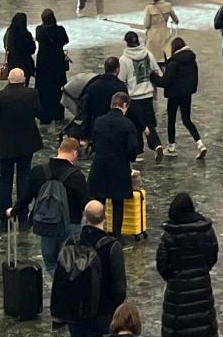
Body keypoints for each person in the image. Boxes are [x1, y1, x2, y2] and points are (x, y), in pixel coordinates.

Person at [156, 191, 222, 337]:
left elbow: (162, 263)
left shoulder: (169, 236)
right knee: (203, 323)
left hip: (177, 289)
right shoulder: (206, 230)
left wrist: (173, 278)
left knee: (181, 331)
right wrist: (202, 271)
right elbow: (213, 254)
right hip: (201, 284)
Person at [62, 199, 129, 337]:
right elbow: (120, 288)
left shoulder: (71, 242)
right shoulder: (112, 247)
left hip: (76, 311)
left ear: (85, 218)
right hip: (104, 313)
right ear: (105, 218)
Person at [15, 134, 90, 275]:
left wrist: (13, 211)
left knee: (50, 263)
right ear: (74, 152)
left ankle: (58, 289)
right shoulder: (76, 176)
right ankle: (66, 291)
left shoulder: (38, 172)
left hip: (46, 225)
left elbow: (25, 198)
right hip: (71, 225)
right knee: (69, 264)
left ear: (59, 149)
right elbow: (86, 202)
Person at [88, 91, 143, 237]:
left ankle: (96, 232)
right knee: (118, 203)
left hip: (100, 166)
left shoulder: (99, 121)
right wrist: (129, 159)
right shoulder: (128, 124)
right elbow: (133, 148)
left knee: (99, 201)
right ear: (124, 105)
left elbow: (94, 141)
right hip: (119, 168)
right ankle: (116, 236)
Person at [0, 66, 42, 213]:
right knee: (24, 178)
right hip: (26, 144)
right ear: (23, 80)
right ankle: (22, 212)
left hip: (4, 144)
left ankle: (4, 214)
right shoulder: (32, 94)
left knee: (5, 180)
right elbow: (40, 113)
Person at [123, 23, 166, 160]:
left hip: (134, 97)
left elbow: (121, 79)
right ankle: (156, 144)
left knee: (135, 124)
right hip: (148, 94)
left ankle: (138, 150)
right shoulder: (148, 54)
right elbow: (156, 71)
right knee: (149, 122)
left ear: (126, 43)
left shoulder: (124, 60)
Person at [159, 36, 206, 158]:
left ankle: (171, 146)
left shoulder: (174, 63)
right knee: (187, 120)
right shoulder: (191, 60)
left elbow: (165, 81)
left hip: (174, 95)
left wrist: (152, 76)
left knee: (171, 120)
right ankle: (200, 144)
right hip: (186, 94)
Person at [72, 56, 126, 142]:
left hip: (96, 128)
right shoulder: (120, 87)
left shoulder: (92, 87)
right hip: (115, 129)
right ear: (117, 69)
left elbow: (86, 111)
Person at [31, 9, 70, 123]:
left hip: (43, 64)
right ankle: (58, 115)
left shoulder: (39, 29)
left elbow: (38, 39)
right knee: (58, 89)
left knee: (44, 90)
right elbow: (66, 40)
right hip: (57, 63)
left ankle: (44, 115)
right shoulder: (60, 29)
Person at [3, 9, 36, 78]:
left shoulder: (9, 33)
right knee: (25, 82)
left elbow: (6, 46)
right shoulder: (27, 35)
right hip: (25, 63)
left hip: (12, 62)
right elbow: (32, 50)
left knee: (14, 81)